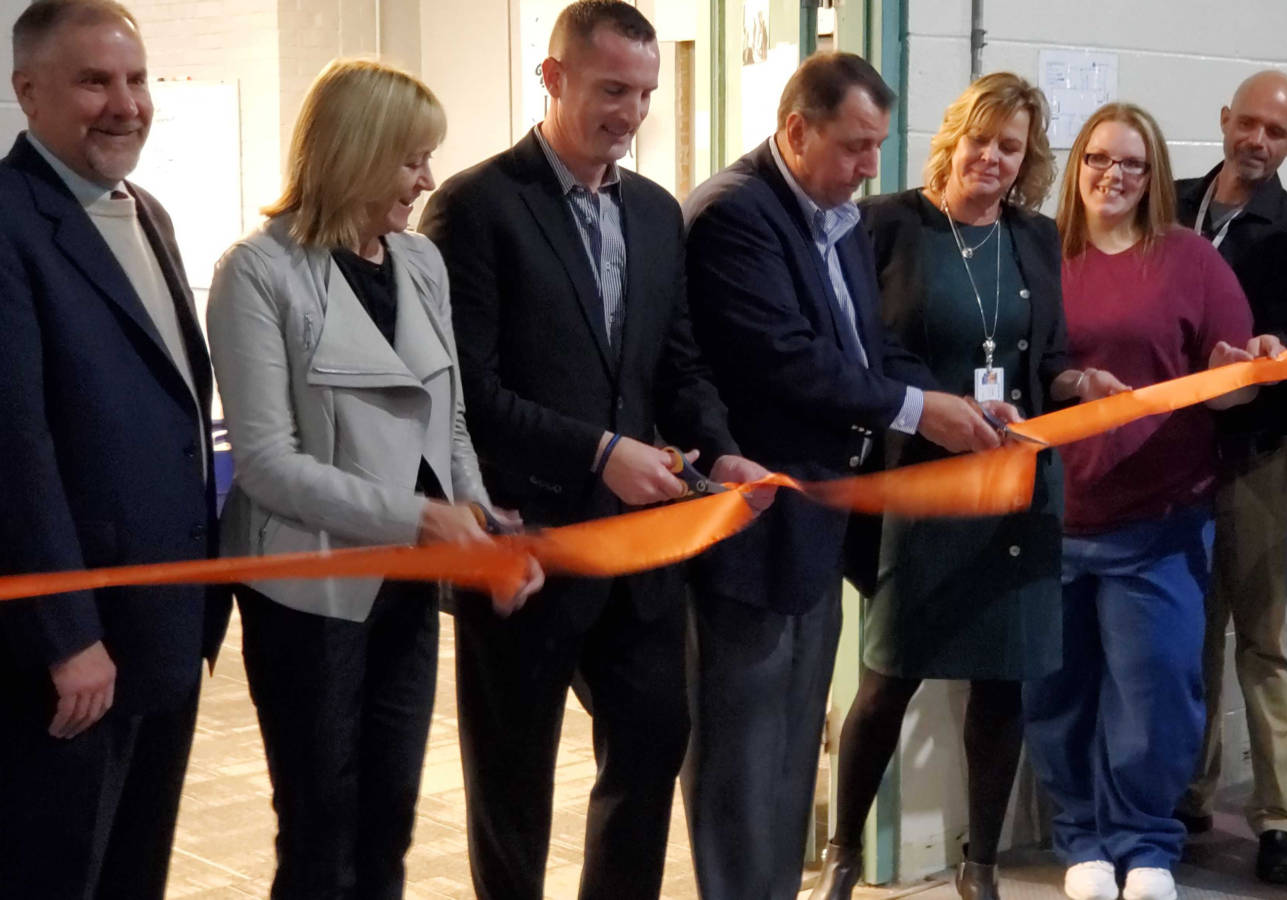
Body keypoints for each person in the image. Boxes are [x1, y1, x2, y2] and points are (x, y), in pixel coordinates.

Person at [418, 3, 769, 898]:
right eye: (612, 89)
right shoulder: (476, 205)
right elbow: (468, 395)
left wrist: (722, 453)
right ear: (554, 77)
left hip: (638, 545)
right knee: (513, 776)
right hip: (525, 537)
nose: (632, 113)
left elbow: (677, 363)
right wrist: (600, 449)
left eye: (645, 93)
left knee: (652, 741)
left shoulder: (655, 212)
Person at [205, 58, 542, 898]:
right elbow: (269, 465)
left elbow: (449, 414)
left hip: (406, 586)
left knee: (390, 817)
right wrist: (420, 518)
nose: (427, 179)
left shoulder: (420, 262)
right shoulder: (257, 272)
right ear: (353, 153)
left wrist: (475, 519)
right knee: (321, 825)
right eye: (410, 159)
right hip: (310, 590)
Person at [681, 52, 1007, 900]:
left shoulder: (841, 222)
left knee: (793, 750)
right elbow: (787, 362)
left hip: (819, 523)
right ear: (797, 130)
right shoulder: (734, 215)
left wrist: (957, 404)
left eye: (878, 146)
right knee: (739, 755)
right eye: (857, 147)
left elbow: (873, 350)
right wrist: (916, 411)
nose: (872, 168)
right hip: (752, 523)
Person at [811, 72, 1119, 900]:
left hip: (1016, 484)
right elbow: (864, 351)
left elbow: (1046, 359)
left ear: (1028, 160)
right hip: (920, 478)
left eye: (1010, 147)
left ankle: (978, 862)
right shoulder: (889, 225)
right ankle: (843, 854)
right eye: (981, 139)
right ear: (956, 137)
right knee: (888, 675)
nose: (992, 157)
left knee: (1004, 682)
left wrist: (1079, 384)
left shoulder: (1036, 237)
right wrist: (938, 411)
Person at [0, 1, 230, 895]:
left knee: (136, 868)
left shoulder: (148, 213)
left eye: (136, 80)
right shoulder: (11, 223)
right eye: (95, 81)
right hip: (73, 650)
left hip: (161, 627)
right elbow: (14, 449)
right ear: (28, 91)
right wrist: (67, 635)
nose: (125, 103)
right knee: (56, 871)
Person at [1019, 102, 1262, 900]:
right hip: (1050, 517)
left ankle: (1146, 843)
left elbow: (1230, 394)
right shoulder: (1037, 252)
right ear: (1074, 165)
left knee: (1155, 696)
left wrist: (1234, 372)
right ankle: (1082, 839)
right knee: (1058, 694)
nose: (1112, 176)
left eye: (1130, 163)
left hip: (1159, 521)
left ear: (1153, 174)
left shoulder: (1190, 261)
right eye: (1097, 159)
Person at [1171, 69, 1287, 884]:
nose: (1257, 141)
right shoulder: (1173, 202)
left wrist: (1274, 353)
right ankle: (1191, 793)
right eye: (1249, 124)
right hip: (1175, 458)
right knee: (1190, 638)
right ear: (1225, 118)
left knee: (1265, 641)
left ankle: (1279, 818)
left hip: (1263, 457)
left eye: (1277, 133)